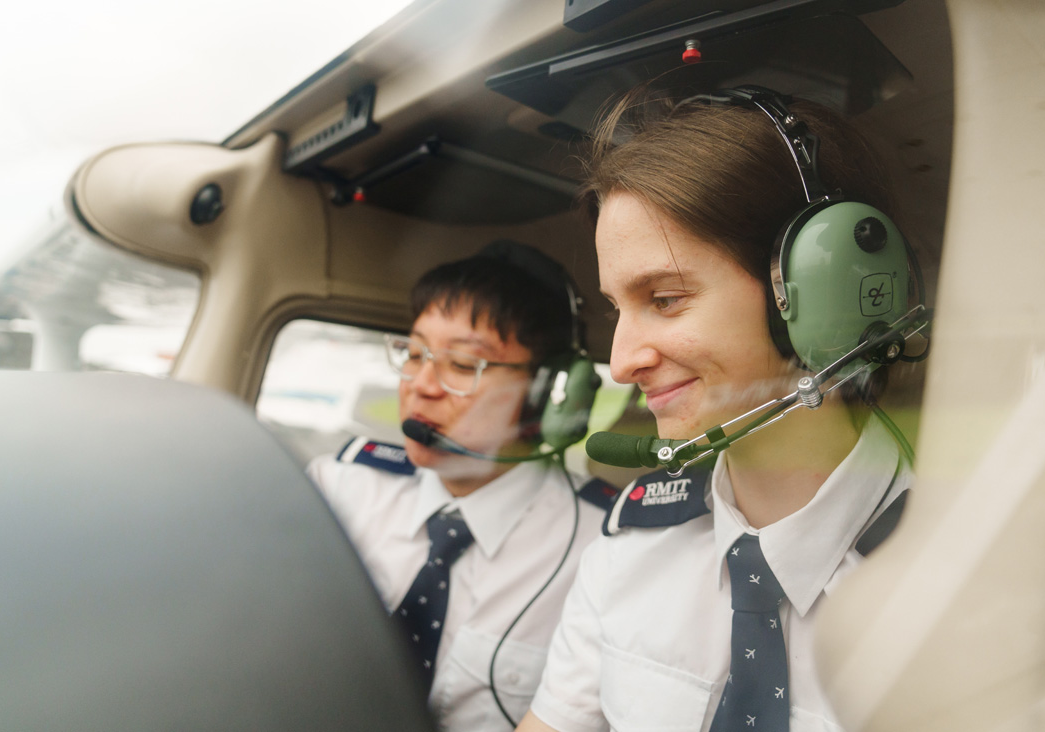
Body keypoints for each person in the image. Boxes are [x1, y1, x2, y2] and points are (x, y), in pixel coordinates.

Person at [519, 86, 925, 732]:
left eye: (665, 299)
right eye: (617, 309)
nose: (621, 363)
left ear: (822, 292)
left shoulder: (963, 581)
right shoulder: (628, 552)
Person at [308, 241, 613, 732]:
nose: (421, 385)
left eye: (463, 365)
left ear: (547, 393)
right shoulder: (336, 490)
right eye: (414, 354)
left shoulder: (602, 549)